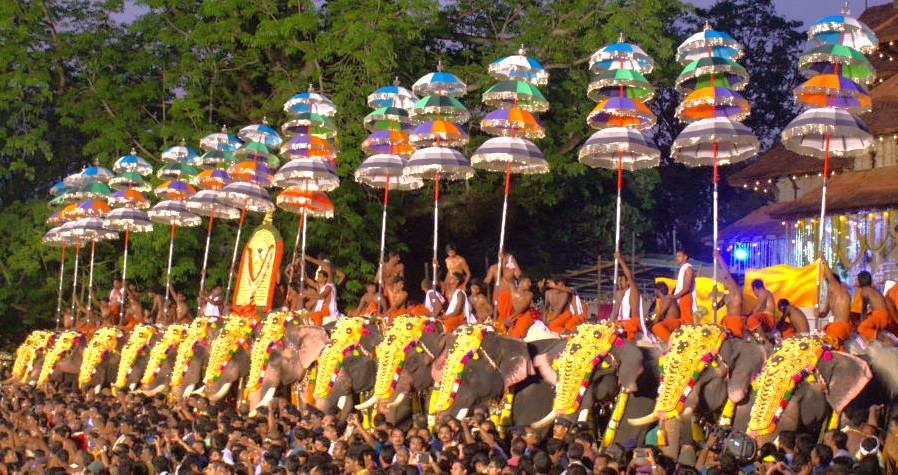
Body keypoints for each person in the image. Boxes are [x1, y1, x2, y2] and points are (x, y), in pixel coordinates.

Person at [818, 256, 852, 350]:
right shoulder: (832, 295)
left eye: (829, 284)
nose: (828, 287)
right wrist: (818, 313)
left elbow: (831, 278)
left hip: (841, 327)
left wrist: (823, 260)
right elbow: (824, 312)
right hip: (832, 326)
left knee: (824, 346)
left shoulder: (842, 293)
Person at [613, 253, 648, 342]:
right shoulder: (619, 294)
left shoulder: (633, 290)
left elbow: (629, 276)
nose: (619, 283)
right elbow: (614, 313)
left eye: (621, 281)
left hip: (633, 324)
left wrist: (620, 260)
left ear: (628, 282)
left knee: (621, 327)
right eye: (618, 281)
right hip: (622, 323)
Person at [713, 250, 745, 338]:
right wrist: (715, 296)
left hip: (735, 323)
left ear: (732, 282)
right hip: (727, 323)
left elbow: (727, 274)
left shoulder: (736, 291)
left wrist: (719, 258)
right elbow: (714, 307)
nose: (725, 283)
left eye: (726, 281)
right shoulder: (727, 295)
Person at [855, 270, 892, 343]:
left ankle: (880, 339)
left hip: (879, 314)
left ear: (859, 282)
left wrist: (862, 322)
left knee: (861, 329)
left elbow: (864, 310)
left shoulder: (864, 291)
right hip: (886, 315)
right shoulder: (875, 290)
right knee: (869, 328)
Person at [484, 252, 522, 321]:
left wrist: (515, 262)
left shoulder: (512, 268)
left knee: (510, 316)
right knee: (498, 316)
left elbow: (520, 277)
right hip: (498, 295)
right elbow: (487, 281)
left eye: (509, 257)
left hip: (509, 295)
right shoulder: (494, 268)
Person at [672, 249, 696, 324]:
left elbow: (687, 287)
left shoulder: (688, 268)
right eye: (676, 256)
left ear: (685, 257)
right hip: (680, 296)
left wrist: (674, 297)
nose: (677, 258)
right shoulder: (682, 269)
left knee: (687, 321)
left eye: (679, 256)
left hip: (685, 297)